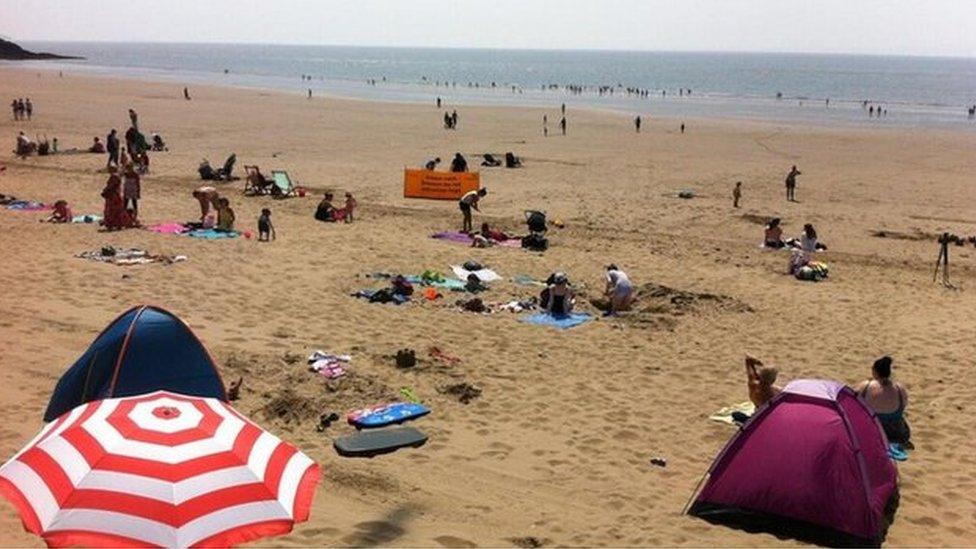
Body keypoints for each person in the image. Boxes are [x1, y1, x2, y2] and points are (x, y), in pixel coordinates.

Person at [854, 356, 911, 444]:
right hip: (895, 432)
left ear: (875, 371)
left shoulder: (865, 386)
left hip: (871, 429)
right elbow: (903, 405)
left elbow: (853, 401)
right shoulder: (899, 388)